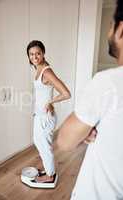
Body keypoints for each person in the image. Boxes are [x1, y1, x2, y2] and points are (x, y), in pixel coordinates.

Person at [57, 0, 123, 199]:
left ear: (120, 29)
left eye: (111, 24)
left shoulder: (108, 83)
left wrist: (81, 127)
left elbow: (64, 141)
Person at [27, 40, 71, 183]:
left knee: (44, 146)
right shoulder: (38, 68)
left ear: (43, 53)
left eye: (38, 53)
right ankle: (48, 168)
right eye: (31, 54)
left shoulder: (46, 71)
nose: (34, 57)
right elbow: (43, 92)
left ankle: (50, 175)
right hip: (40, 115)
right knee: (39, 142)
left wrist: (50, 103)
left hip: (45, 117)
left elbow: (66, 93)